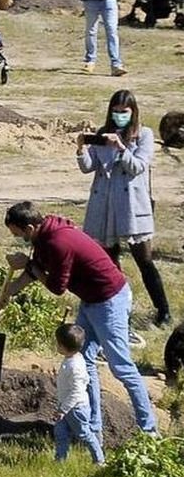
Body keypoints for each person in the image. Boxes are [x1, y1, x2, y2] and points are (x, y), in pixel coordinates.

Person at [0, 201, 159, 437]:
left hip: (109, 300)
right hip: (91, 300)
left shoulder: (59, 243)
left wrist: (29, 264)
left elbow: (57, 287)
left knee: (121, 367)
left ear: (30, 228)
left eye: (18, 234)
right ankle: (93, 426)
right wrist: (7, 292)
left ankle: (149, 429)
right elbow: (34, 272)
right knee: (83, 360)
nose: (18, 238)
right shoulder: (44, 237)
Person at [79, 90, 169, 326]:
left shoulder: (144, 135)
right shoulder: (102, 133)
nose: (119, 116)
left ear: (133, 112)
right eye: (116, 112)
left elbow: (138, 166)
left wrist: (121, 147)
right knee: (109, 261)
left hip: (131, 206)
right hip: (105, 205)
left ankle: (163, 310)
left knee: (144, 260)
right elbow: (89, 167)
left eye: (124, 112)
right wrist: (81, 148)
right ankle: (119, 308)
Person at [52, 323, 104, 465]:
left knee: (84, 434)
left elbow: (77, 391)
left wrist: (63, 409)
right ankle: (60, 460)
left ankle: (99, 459)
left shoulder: (75, 367)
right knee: (60, 432)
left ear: (62, 347)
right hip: (65, 406)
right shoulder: (74, 358)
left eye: (57, 343)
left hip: (76, 408)